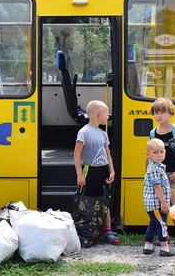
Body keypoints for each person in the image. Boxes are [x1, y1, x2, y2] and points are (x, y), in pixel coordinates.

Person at [73, 100, 119, 245]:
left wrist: (111, 170)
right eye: (107, 114)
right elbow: (77, 153)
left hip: (103, 170)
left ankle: (108, 230)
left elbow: (108, 154)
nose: (108, 116)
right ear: (100, 115)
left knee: (104, 199)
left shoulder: (103, 134)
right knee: (85, 198)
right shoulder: (84, 132)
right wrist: (80, 174)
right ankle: (85, 227)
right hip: (89, 169)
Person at [149, 97, 175, 247]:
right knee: (158, 204)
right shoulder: (153, 133)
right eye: (156, 112)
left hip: (173, 173)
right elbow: (149, 155)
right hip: (158, 174)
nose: (159, 115)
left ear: (170, 113)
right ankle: (162, 234)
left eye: (162, 112)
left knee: (173, 203)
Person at [143, 138, 175, 256]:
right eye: (155, 152)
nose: (159, 155)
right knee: (162, 225)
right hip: (157, 204)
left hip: (153, 204)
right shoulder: (155, 169)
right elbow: (157, 187)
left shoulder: (156, 166)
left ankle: (148, 245)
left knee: (153, 223)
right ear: (148, 154)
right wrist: (164, 203)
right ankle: (164, 248)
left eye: (161, 152)